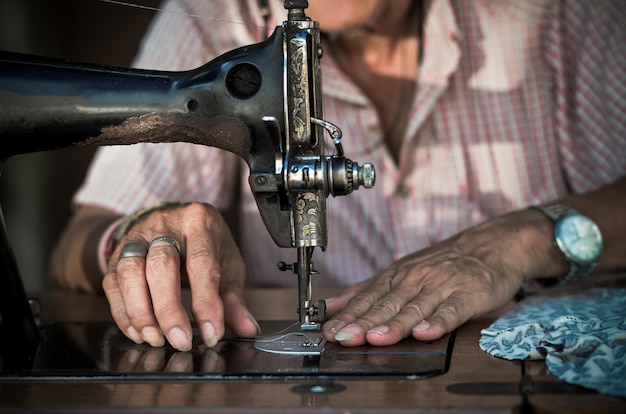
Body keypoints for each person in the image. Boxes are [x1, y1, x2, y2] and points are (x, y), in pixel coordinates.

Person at [50, 0, 626, 353]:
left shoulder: (555, 12)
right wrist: (140, 235)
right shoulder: (220, 13)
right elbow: (78, 241)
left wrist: (524, 240)